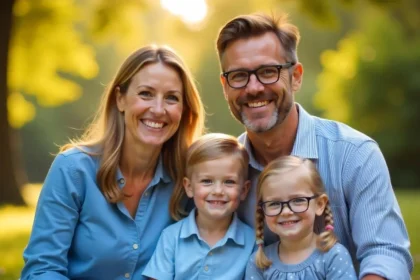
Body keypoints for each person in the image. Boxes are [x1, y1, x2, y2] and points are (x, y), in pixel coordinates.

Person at [215, 13, 412, 279]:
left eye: (267, 72)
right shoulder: (220, 174)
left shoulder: (355, 154)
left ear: (295, 76)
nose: (253, 88)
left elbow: (385, 253)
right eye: (239, 76)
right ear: (225, 86)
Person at [21, 45, 205, 280]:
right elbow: (42, 269)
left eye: (172, 98)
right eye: (146, 94)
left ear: (184, 110)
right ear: (120, 99)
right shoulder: (73, 170)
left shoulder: (188, 182)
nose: (158, 109)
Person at [142, 133, 255, 280]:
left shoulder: (252, 242)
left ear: (244, 190)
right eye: (207, 181)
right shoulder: (172, 237)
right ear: (189, 187)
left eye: (229, 182)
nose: (218, 191)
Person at [245, 156, 357, 279]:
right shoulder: (259, 263)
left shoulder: (333, 256)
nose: (286, 212)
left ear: (319, 204)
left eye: (298, 200)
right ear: (263, 210)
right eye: (274, 203)